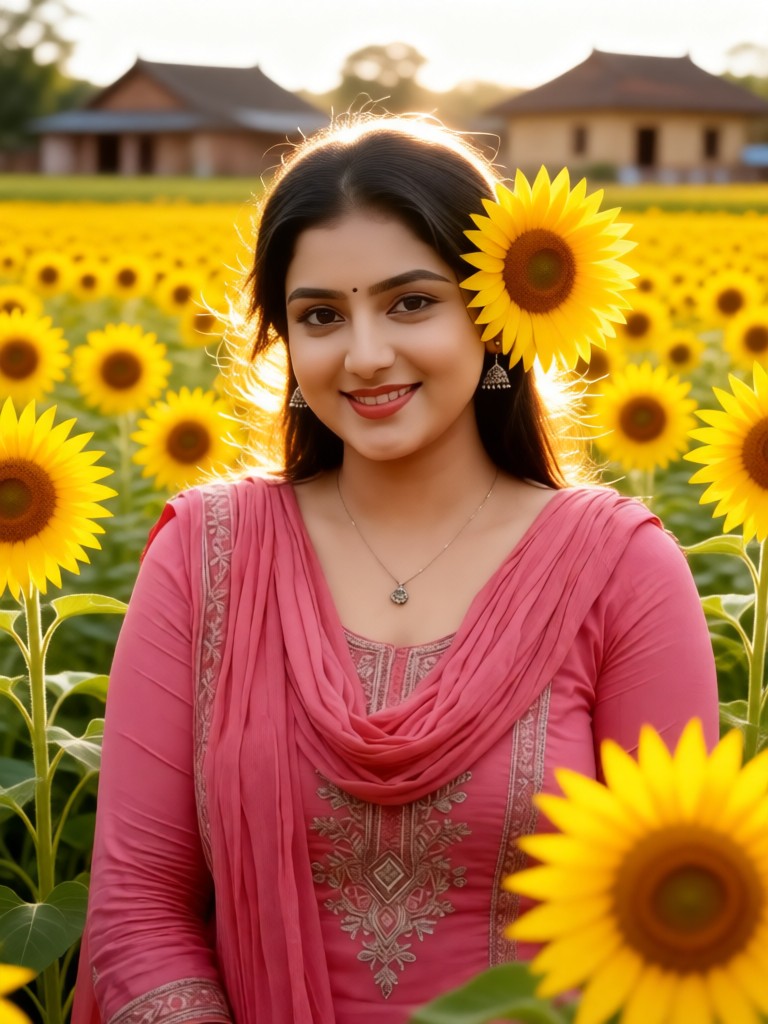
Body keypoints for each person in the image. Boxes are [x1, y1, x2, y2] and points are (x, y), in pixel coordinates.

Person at [73, 115, 718, 1024]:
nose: (365, 353)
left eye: (411, 301)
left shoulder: (619, 569)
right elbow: (139, 906)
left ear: (493, 314)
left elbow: (676, 923)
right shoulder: (208, 556)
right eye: (321, 316)